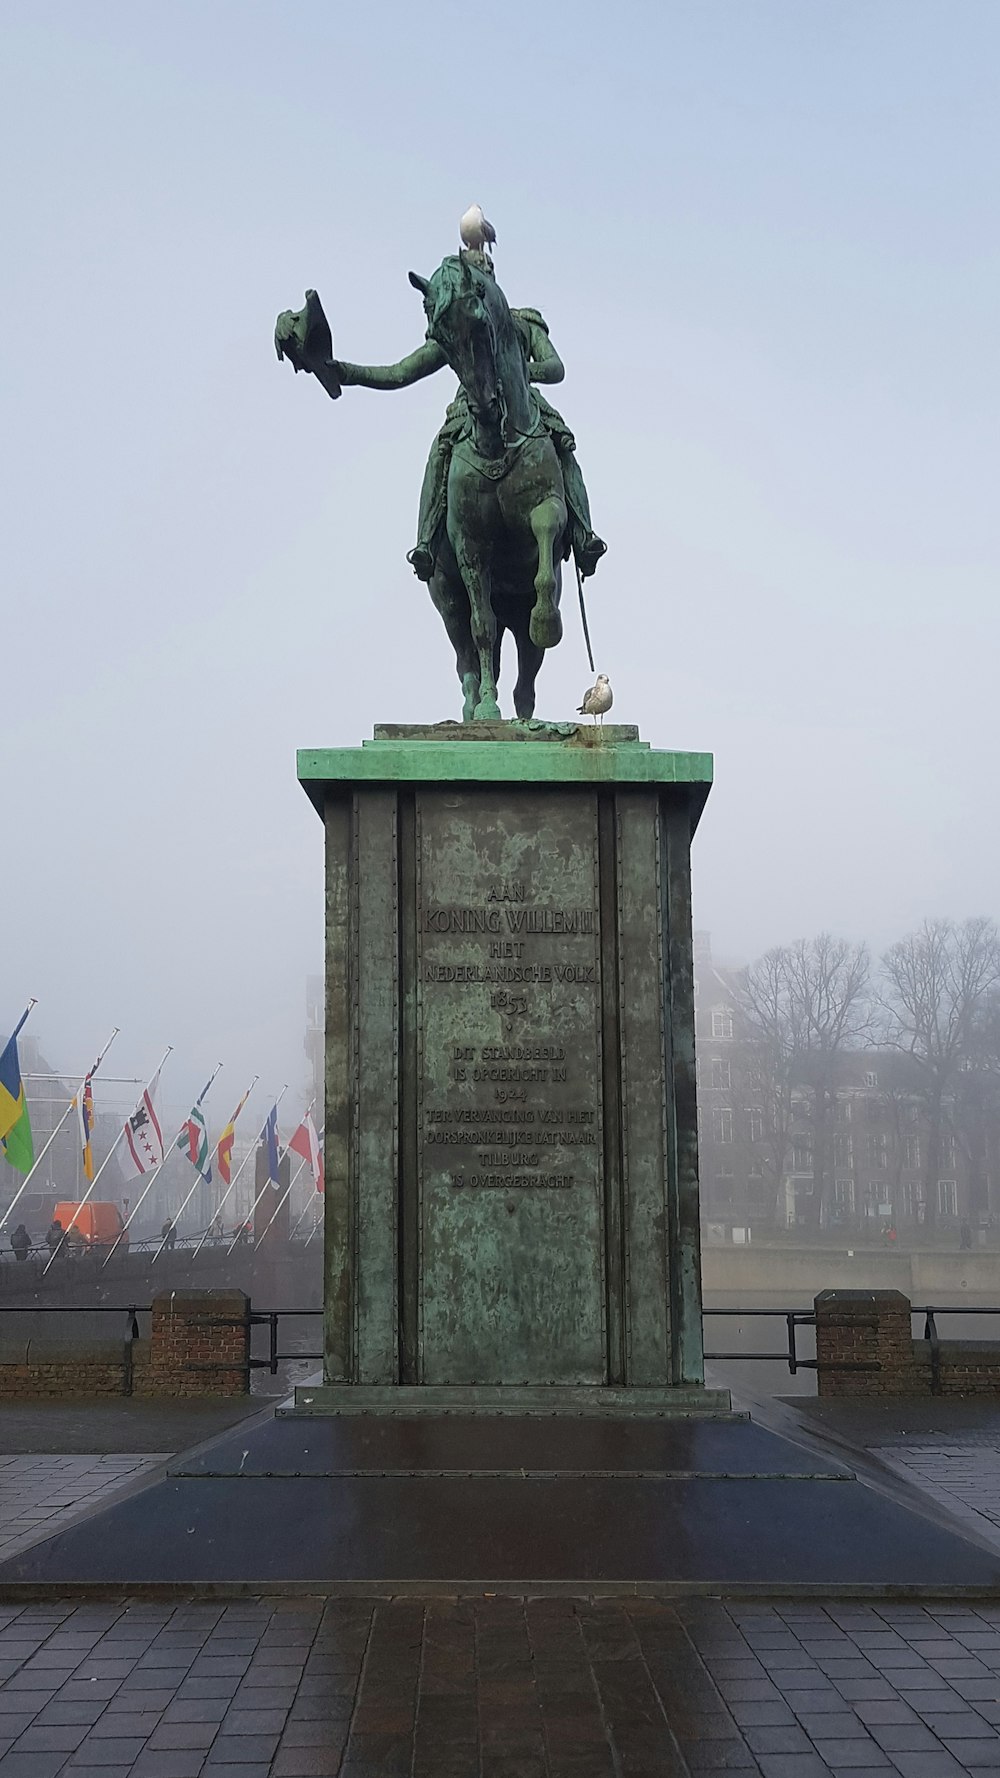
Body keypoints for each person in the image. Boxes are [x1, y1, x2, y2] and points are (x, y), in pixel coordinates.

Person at [330, 247, 606, 586]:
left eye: (481, 269)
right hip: (469, 408)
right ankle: (426, 541)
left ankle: (583, 533)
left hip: (523, 401)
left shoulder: (523, 323)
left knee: (562, 446)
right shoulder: (457, 327)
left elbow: (555, 368)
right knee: (440, 451)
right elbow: (399, 373)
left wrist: (519, 373)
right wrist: (342, 371)